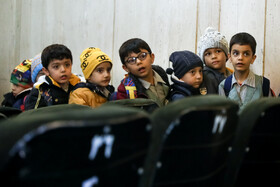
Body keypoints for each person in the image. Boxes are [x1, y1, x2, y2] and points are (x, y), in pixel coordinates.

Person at [219, 32, 274, 110]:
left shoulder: (263, 84)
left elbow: (269, 114)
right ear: (230, 57)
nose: (240, 58)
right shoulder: (224, 86)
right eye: (235, 53)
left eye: (246, 54)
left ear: (253, 58)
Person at [115, 38, 170, 107]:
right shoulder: (125, 89)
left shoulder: (162, 75)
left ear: (152, 58)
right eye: (131, 60)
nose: (138, 62)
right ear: (125, 68)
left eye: (142, 56)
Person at [25, 44, 80, 110]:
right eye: (56, 67)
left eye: (67, 65)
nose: (63, 70)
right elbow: (33, 117)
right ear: (46, 71)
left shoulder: (79, 85)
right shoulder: (40, 92)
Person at [197, 27, 233, 93]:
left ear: (226, 55)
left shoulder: (231, 74)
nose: (213, 56)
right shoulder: (206, 77)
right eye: (208, 54)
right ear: (203, 59)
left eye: (218, 51)